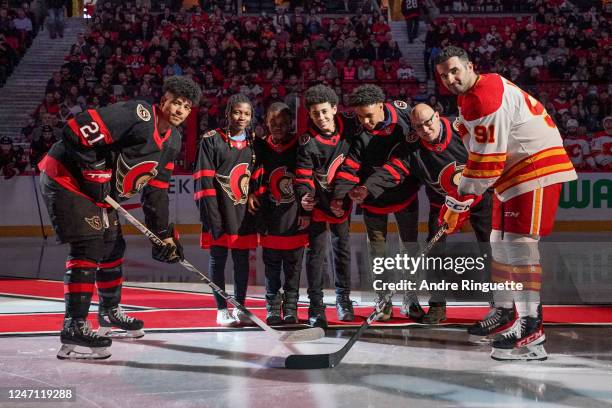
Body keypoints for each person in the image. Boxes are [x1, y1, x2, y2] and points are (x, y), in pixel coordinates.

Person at [38, 76, 201, 360]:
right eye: (176, 102)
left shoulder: (172, 141)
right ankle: (73, 326)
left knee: (113, 247)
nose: (179, 110)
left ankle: (109, 312)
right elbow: (75, 129)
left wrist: (162, 234)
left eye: (186, 107)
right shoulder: (137, 115)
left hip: (97, 192)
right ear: (163, 100)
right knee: (89, 246)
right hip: (66, 179)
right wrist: (96, 171)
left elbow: (157, 190)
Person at [434, 46, 577, 360]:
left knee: (519, 244)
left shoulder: (485, 97)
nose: (450, 78)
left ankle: (532, 330)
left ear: (470, 66)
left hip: (534, 165)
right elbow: (477, 145)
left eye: (455, 70)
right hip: (513, 171)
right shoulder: (471, 96)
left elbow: (486, 165)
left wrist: (457, 203)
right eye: (444, 75)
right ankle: (505, 309)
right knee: (498, 242)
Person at [358, 103, 493, 324]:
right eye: (419, 127)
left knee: (491, 247)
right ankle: (438, 306)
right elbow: (394, 169)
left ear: (438, 116)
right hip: (442, 205)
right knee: (435, 252)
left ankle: (499, 304)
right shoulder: (413, 147)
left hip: (478, 199)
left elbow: (489, 155)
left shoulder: (462, 129)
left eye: (429, 122)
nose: (426, 129)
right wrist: (367, 187)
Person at [331, 84, 420, 321]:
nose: (366, 122)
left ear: (382, 105)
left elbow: (410, 158)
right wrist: (341, 194)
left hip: (405, 194)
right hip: (370, 199)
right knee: (377, 253)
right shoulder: (356, 127)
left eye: (369, 116)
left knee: (410, 248)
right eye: (361, 117)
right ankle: (383, 301)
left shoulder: (405, 116)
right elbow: (350, 164)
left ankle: (411, 299)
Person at [295, 85, 360, 328]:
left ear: (334, 109)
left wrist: (342, 198)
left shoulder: (350, 130)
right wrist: (304, 198)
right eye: (315, 114)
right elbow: (302, 177)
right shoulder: (307, 142)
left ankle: (343, 299)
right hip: (319, 207)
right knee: (316, 255)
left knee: (341, 250)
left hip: (342, 205)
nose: (320, 118)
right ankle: (316, 305)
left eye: (324, 111)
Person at [194, 94, 258, 327]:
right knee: (218, 259)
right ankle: (221, 310)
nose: (241, 117)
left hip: (244, 215)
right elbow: (204, 180)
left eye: (247, 113)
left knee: (242, 261)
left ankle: (240, 307)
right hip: (219, 212)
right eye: (237, 112)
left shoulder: (254, 142)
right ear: (228, 113)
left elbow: (256, 178)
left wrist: (253, 195)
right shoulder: (211, 140)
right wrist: (212, 217)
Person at [248, 102, 308, 325]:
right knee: (272, 264)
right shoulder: (261, 147)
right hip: (269, 215)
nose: (278, 127)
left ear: (291, 123)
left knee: (293, 265)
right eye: (274, 123)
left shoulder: (300, 145)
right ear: (266, 124)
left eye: (283, 123)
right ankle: (272, 305)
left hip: (295, 214)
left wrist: (305, 210)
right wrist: (251, 194)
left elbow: (306, 177)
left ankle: (291, 305)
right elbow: (251, 174)